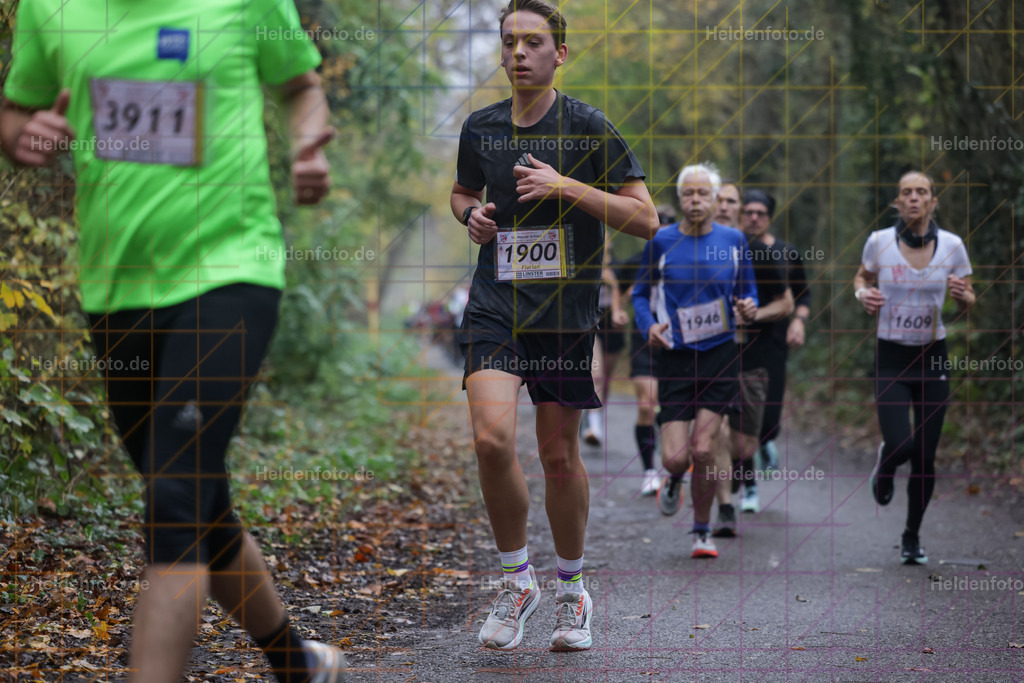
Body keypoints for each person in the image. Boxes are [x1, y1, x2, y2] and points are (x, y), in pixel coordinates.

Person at [0, 1, 345, 681]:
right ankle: (295, 661)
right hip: (116, 288)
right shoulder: (52, 6)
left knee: (175, 500)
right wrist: (21, 135)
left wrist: (307, 141)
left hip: (229, 270)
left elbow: (301, 86)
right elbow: (15, 110)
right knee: (194, 495)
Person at [449, 0, 657, 651]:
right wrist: (470, 216)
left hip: (564, 315)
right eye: (509, 41)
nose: (518, 53)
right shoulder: (480, 127)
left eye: (532, 42)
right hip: (496, 305)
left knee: (558, 454)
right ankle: (518, 580)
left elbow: (646, 218)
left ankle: (572, 591)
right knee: (490, 439)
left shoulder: (588, 127)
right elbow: (461, 191)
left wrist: (567, 186)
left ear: (559, 52)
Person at [632, 162, 757, 559]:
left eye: (704, 194)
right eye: (689, 193)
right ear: (680, 198)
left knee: (704, 449)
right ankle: (673, 480)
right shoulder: (661, 241)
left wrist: (749, 307)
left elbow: (747, 292)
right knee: (675, 458)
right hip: (676, 358)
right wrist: (648, 325)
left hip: (720, 355)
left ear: (716, 199)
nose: (697, 200)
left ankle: (701, 530)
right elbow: (639, 293)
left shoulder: (735, 240)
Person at [855, 170, 974, 564]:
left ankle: (911, 536)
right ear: (897, 202)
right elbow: (862, 277)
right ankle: (885, 468)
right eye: (905, 192)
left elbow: (968, 296)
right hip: (891, 357)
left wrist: (963, 297)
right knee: (902, 445)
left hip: (933, 356)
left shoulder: (952, 246)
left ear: (932, 202)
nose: (913, 198)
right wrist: (863, 295)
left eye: (921, 192)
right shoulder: (880, 242)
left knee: (924, 455)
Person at [712, 234, 793, 535]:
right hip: (710, 357)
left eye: (733, 203)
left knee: (745, 444)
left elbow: (786, 302)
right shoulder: (696, 246)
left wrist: (753, 315)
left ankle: (734, 472)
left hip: (754, 357)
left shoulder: (758, 252)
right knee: (714, 430)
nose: (726, 208)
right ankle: (723, 508)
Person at [739, 190, 812, 472]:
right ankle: (742, 478)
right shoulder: (729, 247)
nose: (754, 218)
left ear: (769, 218)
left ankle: (766, 441)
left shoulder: (787, 251)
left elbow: (803, 295)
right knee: (738, 413)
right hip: (734, 342)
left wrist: (799, 322)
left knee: (768, 415)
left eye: (761, 213)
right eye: (749, 212)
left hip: (773, 341)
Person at [583, 235, 628, 446]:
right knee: (597, 374)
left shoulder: (619, 267)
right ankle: (594, 424)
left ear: (609, 244)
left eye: (604, 240)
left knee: (607, 378)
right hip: (591, 325)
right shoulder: (584, 264)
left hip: (613, 327)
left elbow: (634, 289)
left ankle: (597, 414)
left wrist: (620, 309)